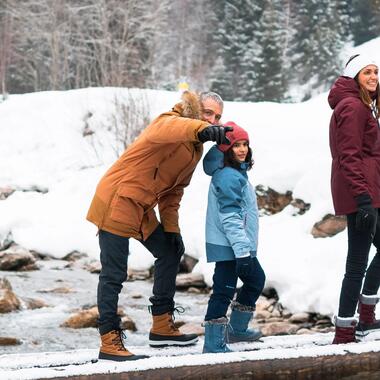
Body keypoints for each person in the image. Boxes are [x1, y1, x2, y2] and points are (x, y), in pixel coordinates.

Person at [87, 91, 231, 361]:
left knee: (170, 251)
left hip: (139, 206)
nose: (213, 119)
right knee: (114, 273)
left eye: (217, 117)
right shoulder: (170, 120)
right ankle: (109, 340)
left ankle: (162, 325)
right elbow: (171, 128)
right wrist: (204, 129)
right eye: (207, 112)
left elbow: (173, 193)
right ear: (194, 108)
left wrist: (172, 229)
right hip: (116, 198)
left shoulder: (193, 148)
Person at [329, 54, 380, 344]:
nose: (373, 77)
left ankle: (366, 315)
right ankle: (345, 331)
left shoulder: (362, 106)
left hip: (369, 192)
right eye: (367, 72)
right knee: (356, 262)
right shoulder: (352, 107)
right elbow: (349, 156)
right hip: (361, 194)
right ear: (354, 77)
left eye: (376, 72)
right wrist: (363, 198)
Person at [201, 122, 265, 353]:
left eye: (245, 144)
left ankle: (236, 331)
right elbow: (230, 217)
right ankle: (213, 343)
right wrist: (242, 250)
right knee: (224, 290)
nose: (242, 149)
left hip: (238, 245)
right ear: (225, 149)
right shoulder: (228, 176)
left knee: (256, 279)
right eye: (236, 145)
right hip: (230, 246)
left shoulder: (236, 172)